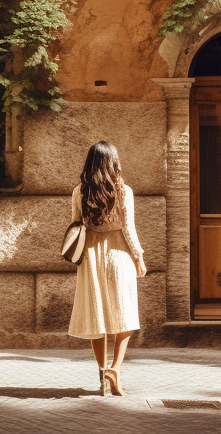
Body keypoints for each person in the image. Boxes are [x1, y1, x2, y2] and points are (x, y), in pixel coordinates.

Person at [68, 140, 147, 396]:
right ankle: (116, 369)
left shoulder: (79, 191)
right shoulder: (124, 191)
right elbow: (129, 229)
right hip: (119, 255)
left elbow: (74, 225)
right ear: (112, 161)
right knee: (126, 314)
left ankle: (103, 376)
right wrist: (139, 257)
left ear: (90, 162)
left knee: (97, 317)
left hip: (91, 257)